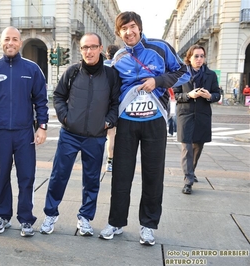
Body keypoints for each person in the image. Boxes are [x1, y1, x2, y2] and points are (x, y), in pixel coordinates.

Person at [98, 11, 190, 246]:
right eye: (124, 29)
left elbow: (184, 72)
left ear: (139, 27)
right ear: (119, 33)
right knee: (121, 174)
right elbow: (108, 87)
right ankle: (115, 222)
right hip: (127, 122)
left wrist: (157, 82)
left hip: (154, 121)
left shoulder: (160, 48)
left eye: (132, 27)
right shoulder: (118, 57)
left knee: (153, 175)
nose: (129, 32)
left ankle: (148, 226)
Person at [39, 33, 120, 236]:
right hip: (70, 135)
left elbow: (115, 104)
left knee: (92, 180)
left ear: (101, 48)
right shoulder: (72, 72)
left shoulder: (111, 75)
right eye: (85, 47)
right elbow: (58, 96)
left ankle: (85, 218)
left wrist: (108, 122)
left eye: (93, 47)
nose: (88, 51)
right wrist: (65, 118)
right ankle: (50, 214)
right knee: (58, 176)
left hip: (96, 136)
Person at [0, 26, 48, 237]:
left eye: (15, 39)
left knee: (26, 177)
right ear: (1, 42)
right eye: (7, 39)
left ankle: (26, 220)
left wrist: (41, 127)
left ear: (20, 42)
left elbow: (41, 101)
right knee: (1, 176)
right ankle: (2, 216)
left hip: (24, 134)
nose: (11, 43)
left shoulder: (32, 70)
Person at [174, 45, 220, 195]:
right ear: (189, 58)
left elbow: (217, 94)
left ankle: (191, 171)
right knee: (186, 147)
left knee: (197, 147)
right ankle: (188, 181)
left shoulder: (211, 75)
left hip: (202, 115)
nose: (199, 59)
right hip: (185, 114)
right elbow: (176, 95)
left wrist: (209, 96)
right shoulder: (181, 74)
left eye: (201, 56)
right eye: (196, 56)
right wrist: (189, 95)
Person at [103, 44, 120, 172]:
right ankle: (110, 160)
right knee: (112, 134)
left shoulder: (101, 66)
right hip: (115, 103)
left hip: (101, 103)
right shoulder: (118, 67)